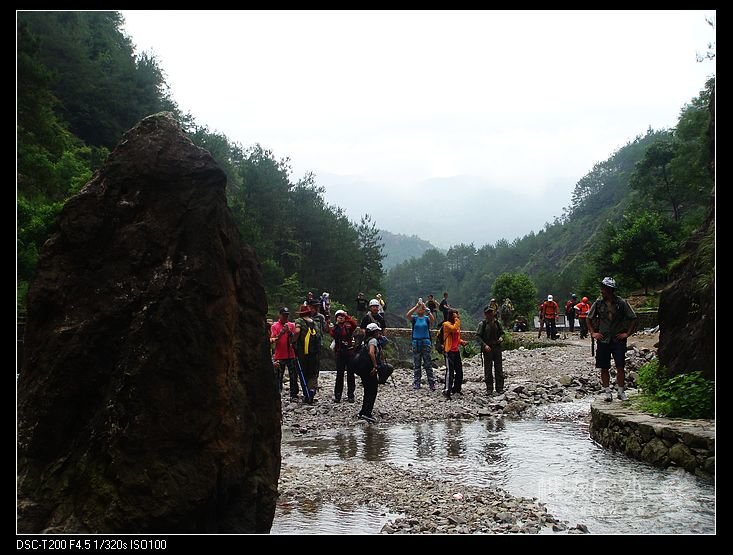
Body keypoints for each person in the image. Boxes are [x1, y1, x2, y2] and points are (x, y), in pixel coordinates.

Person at [587, 277, 637, 402]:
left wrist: (627, 334)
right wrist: (593, 333)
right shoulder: (598, 303)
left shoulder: (621, 303)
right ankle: (607, 392)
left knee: (620, 365)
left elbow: (633, 318)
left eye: (604, 288)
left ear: (610, 290)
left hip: (618, 339)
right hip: (603, 339)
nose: (601, 290)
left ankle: (621, 391)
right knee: (604, 367)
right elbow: (588, 318)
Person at [293, 304, 322, 403]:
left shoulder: (299, 321)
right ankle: (312, 390)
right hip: (315, 353)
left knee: (303, 373)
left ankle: (307, 394)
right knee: (313, 373)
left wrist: (292, 341)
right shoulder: (314, 322)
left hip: (303, 353)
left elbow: (297, 331)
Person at [405, 300, 436, 390]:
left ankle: (431, 383)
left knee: (428, 364)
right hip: (416, 343)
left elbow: (432, 319)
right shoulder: (414, 319)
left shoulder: (426, 318)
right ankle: (417, 382)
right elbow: (407, 315)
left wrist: (426, 309)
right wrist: (416, 306)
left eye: (421, 309)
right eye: (419, 309)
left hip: (426, 343)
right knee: (417, 364)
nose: (420, 310)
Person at [329, 309, 359, 403]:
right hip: (340, 353)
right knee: (339, 375)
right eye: (339, 317)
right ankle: (338, 395)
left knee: (350, 374)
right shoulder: (335, 328)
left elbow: (354, 324)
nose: (341, 318)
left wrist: (347, 317)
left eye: (342, 316)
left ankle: (351, 395)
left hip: (349, 352)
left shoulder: (349, 326)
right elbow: (332, 334)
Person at [357, 323, 383, 423]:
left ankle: (363, 411)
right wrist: (375, 366)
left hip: (363, 368)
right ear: (374, 332)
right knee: (372, 391)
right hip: (370, 368)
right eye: (377, 331)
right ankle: (367, 413)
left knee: (367, 390)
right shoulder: (373, 341)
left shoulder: (365, 340)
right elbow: (371, 353)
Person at [476, 305, 505, 395]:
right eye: (488, 313)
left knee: (499, 368)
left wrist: (501, 338)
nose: (490, 314)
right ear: (485, 314)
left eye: (491, 312)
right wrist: (484, 345)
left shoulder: (497, 323)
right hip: (487, 348)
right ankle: (489, 388)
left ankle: (499, 388)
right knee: (488, 369)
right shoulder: (482, 324)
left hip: (497, 347)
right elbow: (478, 337)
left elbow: (502, 333)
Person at [270, 307, 297, 400]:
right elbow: (273, 340)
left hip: (291, 353)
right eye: (284, 315)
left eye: (287, 315)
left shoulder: (292, 325)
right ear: (280, 315)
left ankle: (293, 394)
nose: (286, 317)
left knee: (293, 375)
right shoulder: (275, 326)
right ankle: (278, 393)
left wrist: (289, 332)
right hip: (280, 354)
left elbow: (294, 340)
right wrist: (281, 333)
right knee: (279, 376)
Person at [441, 309, 468, 399]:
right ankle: (447, 390)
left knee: (459, 371)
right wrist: (457, 320)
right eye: (455, 314)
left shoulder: (456, 325)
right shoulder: (446, 324)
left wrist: (462, 342)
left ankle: (456, 388)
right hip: (449, 351)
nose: (457, 315)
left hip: (456, 351)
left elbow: (457, 338)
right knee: (450, 371)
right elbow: (454, 329)